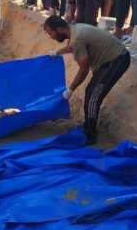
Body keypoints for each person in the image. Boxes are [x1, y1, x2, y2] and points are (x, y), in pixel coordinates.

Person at [44, 15, 130, 145]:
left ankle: (90, 135)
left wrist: (70, 90)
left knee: (93, 97)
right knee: (91, 92)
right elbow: (73, 47)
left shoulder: (77, 38)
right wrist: (57, 52)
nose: (51, 37)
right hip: (109, 60)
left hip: (116, 60)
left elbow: (83, 69)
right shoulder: (74, 29)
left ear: (60, 29)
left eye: (51, 33)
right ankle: (88, 126)